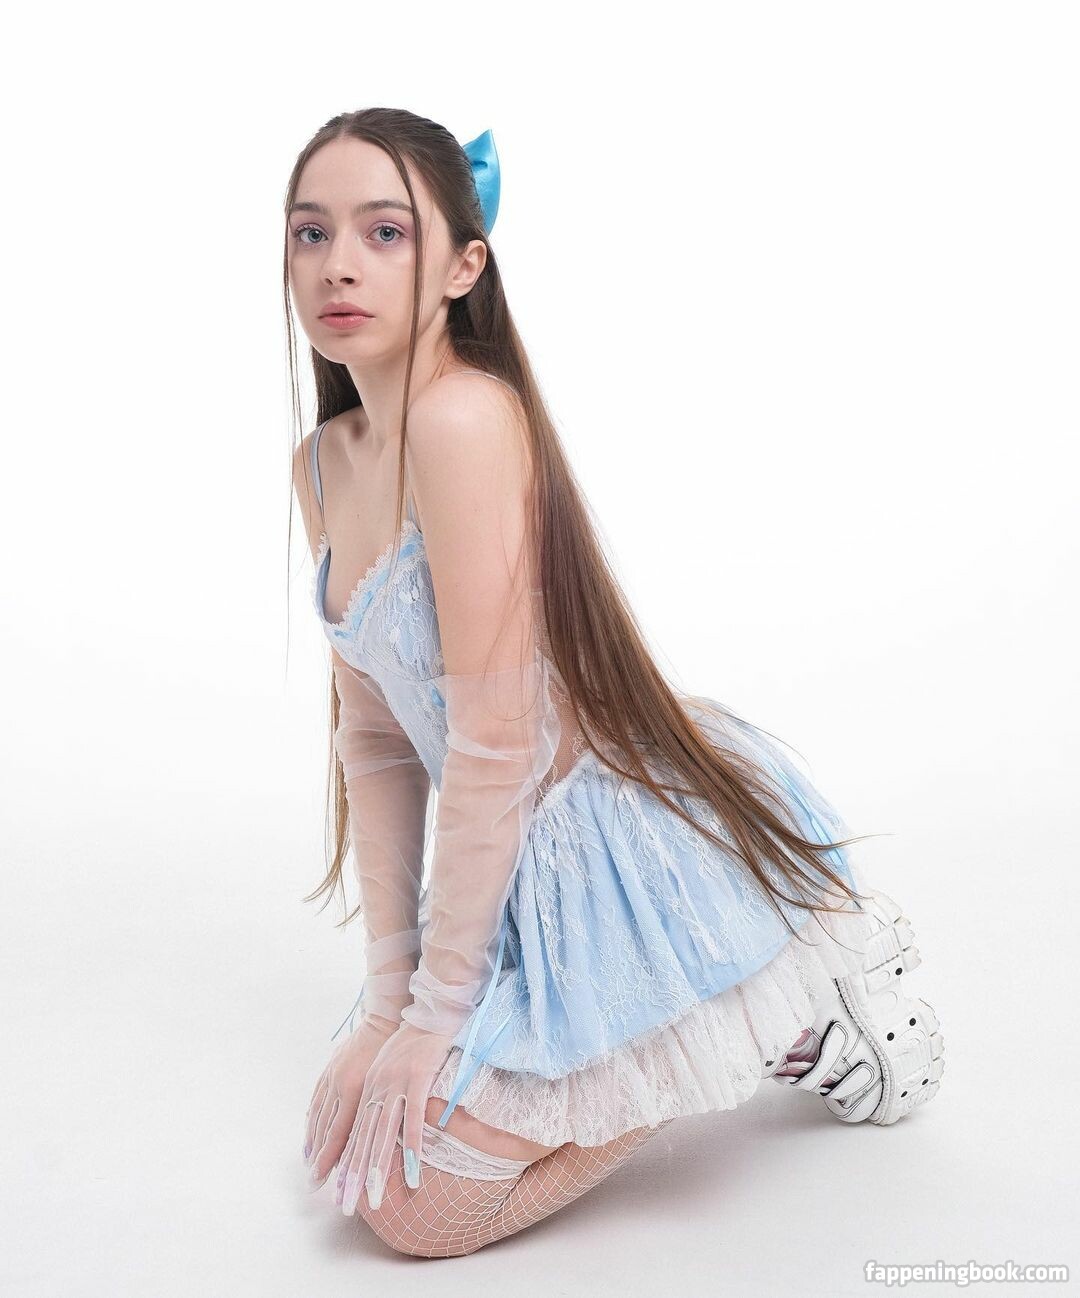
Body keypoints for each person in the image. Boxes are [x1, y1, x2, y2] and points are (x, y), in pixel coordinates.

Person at [287, 109, 945, 1259]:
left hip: (608, 856)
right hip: (503, 871)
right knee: (351, 1142)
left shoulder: (463, 417)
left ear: (463, 267)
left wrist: (435, 1015)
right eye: (311, 232)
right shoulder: (322, 464)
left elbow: (495, 741)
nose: (339, 263)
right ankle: (735, 1003)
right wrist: (388, 999)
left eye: (385, 232)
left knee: (413, 1207)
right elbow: (379, 741)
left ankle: (780, 998)